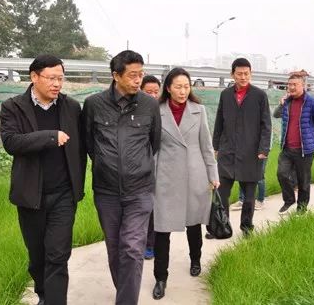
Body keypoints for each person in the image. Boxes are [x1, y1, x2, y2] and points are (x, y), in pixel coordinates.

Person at [0, 55, 87, 305]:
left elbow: (81, 149)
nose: (57, 83)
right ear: (34, 77)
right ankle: (44, 295)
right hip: (31, 196)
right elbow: (12, 142)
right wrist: (50, 137)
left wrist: (77, 186)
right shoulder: (13, 107)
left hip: (63, 195)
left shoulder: (71, 108)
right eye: (51, 78)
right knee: (38, 257)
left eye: (60, 78)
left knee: (58, 255)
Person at [82, 50, 161, 305]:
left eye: (141, 74)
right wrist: (108, 164)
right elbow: (89, 145)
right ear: (116, 75)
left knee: (132, 248)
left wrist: (136, 166)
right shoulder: (94, 104)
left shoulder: (149, 105)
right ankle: (125, 293)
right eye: (132, 75)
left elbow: (154, 142)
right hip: (106, 193)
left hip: (140, 191)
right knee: (115, 250)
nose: (138, 80)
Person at [151, 67, 220, 300]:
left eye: (186, 86)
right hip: (166, 177)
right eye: (178, 86)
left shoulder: (198, 111)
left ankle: (195, 260)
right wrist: (151, 177)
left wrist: (213, 174)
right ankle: (161, 277)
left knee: (194, 224)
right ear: (168, 88)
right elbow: (153, 149)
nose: (183, 91)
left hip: (195, 175)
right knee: (161, 229)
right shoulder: (156, 111)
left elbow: (206, 146)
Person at [212, 58, 272, 235]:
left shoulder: (259, 95)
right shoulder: (226, 94)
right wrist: (216, 146)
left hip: (251, 152)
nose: (243, 77)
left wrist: (263, 149)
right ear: (232, 74)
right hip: (227, 150)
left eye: (246, 73)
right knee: (222, 193)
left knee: (249, 195)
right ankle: (222, 226)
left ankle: (247, 227)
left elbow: (266, 124)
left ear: (251, 74)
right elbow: (219, 122)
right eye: (239, 74)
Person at [276, 74, 314, 214]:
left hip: (304, 150)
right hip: (287, 147)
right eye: (289, 84)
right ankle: (289, 200)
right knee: (282, 174)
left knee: (303, 181)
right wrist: (281, 103)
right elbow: (275, 114)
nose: (291, 87)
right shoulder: (287, 102)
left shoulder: (313, 102)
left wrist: (313, 137)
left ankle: (301, 207)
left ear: (302, 85)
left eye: (294, 84)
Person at [140, 74, 161, 260]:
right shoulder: (135, 110)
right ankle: (144, 243)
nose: (153, 95)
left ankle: (151, 244)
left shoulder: (163, 110)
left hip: (160, 166)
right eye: (148, 92)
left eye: (156, 91)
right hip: (139, 168)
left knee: (155, 207)